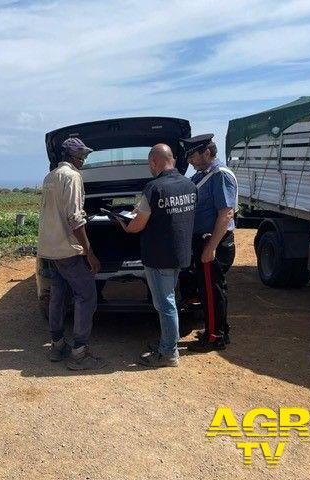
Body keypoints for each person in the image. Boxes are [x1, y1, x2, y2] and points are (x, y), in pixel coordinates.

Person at [115, 144, 197, 367]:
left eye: (149, 164)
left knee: (165, 304)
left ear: (154, 161)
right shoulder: (189, 185)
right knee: (169, 300)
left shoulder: (154, 188)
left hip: (159, 256)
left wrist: (124, 224)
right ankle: (166, 343)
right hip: (180, 254)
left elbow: (137, 226)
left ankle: (169, 353)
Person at [37, 137, 105, 371]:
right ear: (72, 156)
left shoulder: (50, 177)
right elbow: (75, 218)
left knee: (58, 295)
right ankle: (79, 352)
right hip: (68, 250)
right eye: (82, 155)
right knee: (86, 296)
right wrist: (89, 252)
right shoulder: (73, 177)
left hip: (50, 249)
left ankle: (57, 345)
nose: (84, 158)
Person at [181, 134, 238, 352]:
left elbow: (226, 214)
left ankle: (215, 336)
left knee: (212, 292)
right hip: (203, 242)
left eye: (192, 155)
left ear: (207, 152)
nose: (189, 160)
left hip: (212, 242)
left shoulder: (220, 175)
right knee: (206, 290)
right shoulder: (200, 176)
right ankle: (215, 329)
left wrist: (211, 247)